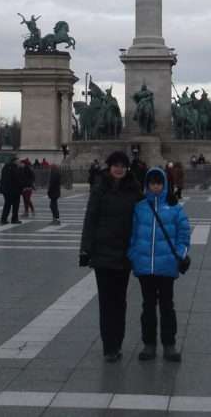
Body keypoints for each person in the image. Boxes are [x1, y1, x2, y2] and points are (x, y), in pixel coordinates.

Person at [80, 151, 142, 363]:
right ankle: (109, 346)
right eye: (115, 165)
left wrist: (169, 201)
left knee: (120, 301)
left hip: (124, 254)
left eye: (122, 165)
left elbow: (146, 214)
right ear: (109, 167)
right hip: (103, 253)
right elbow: (90, 219)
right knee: (106, 302)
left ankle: (118, 341)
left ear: (127, 168)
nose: (119, 169)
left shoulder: (134, 190)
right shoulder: (99, 189)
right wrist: (85, 249)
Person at [128, 167, 190, 363]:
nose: (155, 186)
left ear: (164, 184)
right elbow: (131, 234)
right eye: (152, 183)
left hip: (166, 266)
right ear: (147, 185)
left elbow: (184, 235)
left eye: (159, 183)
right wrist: (134, 255)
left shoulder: (175, 208)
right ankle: (149, 344)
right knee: (147, 307)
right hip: (145, 266)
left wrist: (178, 255)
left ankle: (169, 344)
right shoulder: (139, 207)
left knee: (167, 306)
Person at [0, 157, 22, 224]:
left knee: (7, 205)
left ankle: (3, 219)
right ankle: (14, 219)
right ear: (14, 161)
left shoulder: (5, 167)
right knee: (15, 205)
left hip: (6, 190)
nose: (19, 163)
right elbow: (17, 179)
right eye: (18, 161)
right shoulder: (14, 168)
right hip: (14, 190)